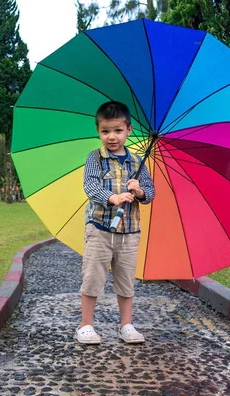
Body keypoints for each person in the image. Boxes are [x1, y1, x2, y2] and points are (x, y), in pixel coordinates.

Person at [76, 101, 156, 345]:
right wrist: (113, 197)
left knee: (126, 280)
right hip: (99, 228)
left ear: (129, 130)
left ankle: (126, 325)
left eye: (118, 130)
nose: (112, 137)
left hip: (129, 232)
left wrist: (139, 191)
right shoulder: (95, 158)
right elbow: (90, 185)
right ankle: (85, 325)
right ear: (99, 131)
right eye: (105, 131)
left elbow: (150, 194)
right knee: (92, 277)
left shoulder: (137, 162)